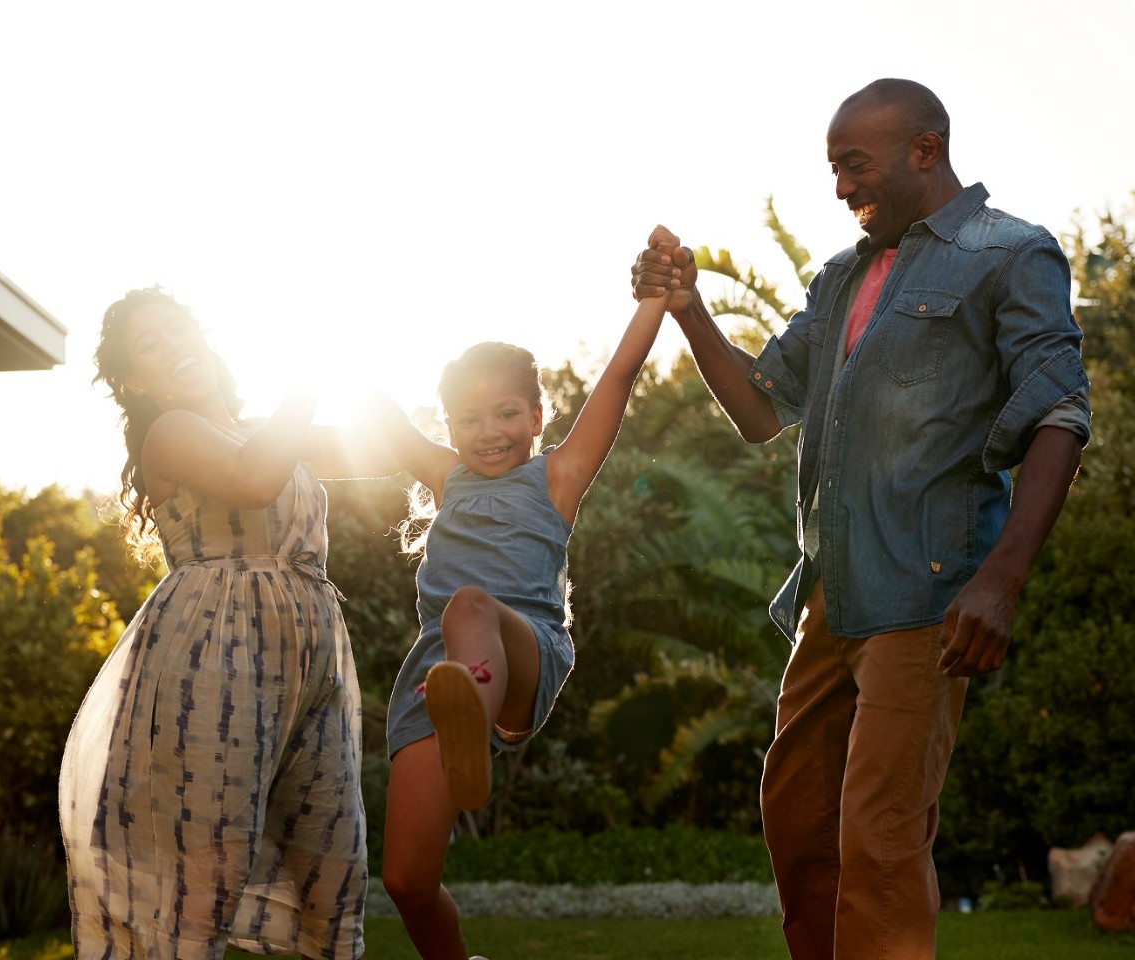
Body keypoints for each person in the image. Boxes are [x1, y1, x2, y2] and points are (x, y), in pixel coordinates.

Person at [631, 79, 1090, 959]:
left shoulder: (1009, 254)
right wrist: (689, 308)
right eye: (833, 169)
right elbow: (762, 411)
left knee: (879, 844)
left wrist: (1001, 578)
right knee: (799, 826)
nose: (841, 188)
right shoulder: (841, 276)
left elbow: (1059, 414)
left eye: (854, 165)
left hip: (925, 604)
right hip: (829, 604)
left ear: (925, 149)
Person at [60, 287, 398, 960]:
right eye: (147, 345)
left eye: (176, 328)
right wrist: (316, 367)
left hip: (311, 664)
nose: (172, 345)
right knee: (203, 887)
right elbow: (252, 478)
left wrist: (481, 461)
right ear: (135, 380)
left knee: (337, 880)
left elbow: (388, 448)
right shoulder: (171, 433)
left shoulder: (271, 435)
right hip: (212, 658)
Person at [371, 236, 675, 960]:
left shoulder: (558, 478)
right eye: (469, 420)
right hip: (436, 676)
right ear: (449, 429)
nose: (489, 433)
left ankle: (469, 725)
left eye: (506, 414)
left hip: (523, 653)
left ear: (538, 416)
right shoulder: (449, 479)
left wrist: (656, 298)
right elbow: (378, 417)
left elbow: (622, 377)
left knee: (470, 605)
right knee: (406, 882)